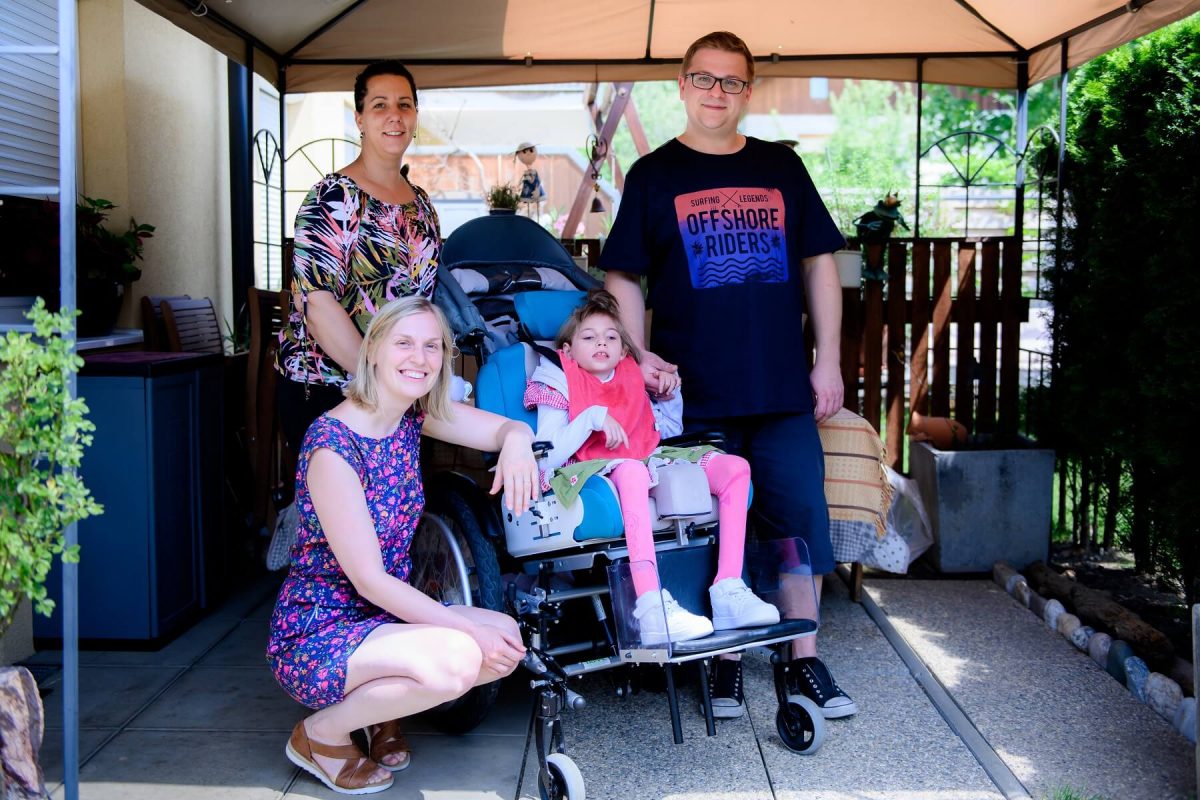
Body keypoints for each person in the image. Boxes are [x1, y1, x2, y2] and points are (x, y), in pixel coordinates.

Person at [599, 31, 857, 721]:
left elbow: (820, 265)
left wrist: (826, 359)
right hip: (691, 394)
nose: (716, 93)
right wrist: (634, 353)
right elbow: (622, 273)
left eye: (731, 82)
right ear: (681, 86)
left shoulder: (781, 167)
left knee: (800, 520)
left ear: (748, 91)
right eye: (704, 79)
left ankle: (803, 661)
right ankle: (723, 664)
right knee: (711, 526)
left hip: (780, 388)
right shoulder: (652, 175)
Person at [267, 296, 538, 795]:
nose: (420, 357)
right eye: (405, 343)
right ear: (372, 351)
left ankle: (376, 713)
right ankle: (320, 734)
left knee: (503, 635)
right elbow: (368, 579)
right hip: (319, 630)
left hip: (381, 619)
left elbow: (502, 428)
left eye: (432, 346)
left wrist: (519, 439)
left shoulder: (410, 416)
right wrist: (460, 628)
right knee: (459, 656)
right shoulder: (333, 446)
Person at [523, 289, 780, 657]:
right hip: (586, 471)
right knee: (631, 472)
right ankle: (650, 607)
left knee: (735, 467)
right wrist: (592, 418)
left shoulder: (629, 375)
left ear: (625, 350)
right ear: (567, 348)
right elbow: (547, 455)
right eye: (589, 337)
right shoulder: (557, 378)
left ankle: (728, 589)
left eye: (612, 337)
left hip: (645, 461)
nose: (602, 343)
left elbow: (660, 432)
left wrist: (669, 395)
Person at [276, 59, 440, 455]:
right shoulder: (333, 197)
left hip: (398, 393)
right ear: (360, 119)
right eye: (380, 105)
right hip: (328, 390)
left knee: (397, 515)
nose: (394, 116)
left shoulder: (423, 205)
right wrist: (379, 379)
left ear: (416, 115)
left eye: (405, 105)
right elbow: (317, 305)